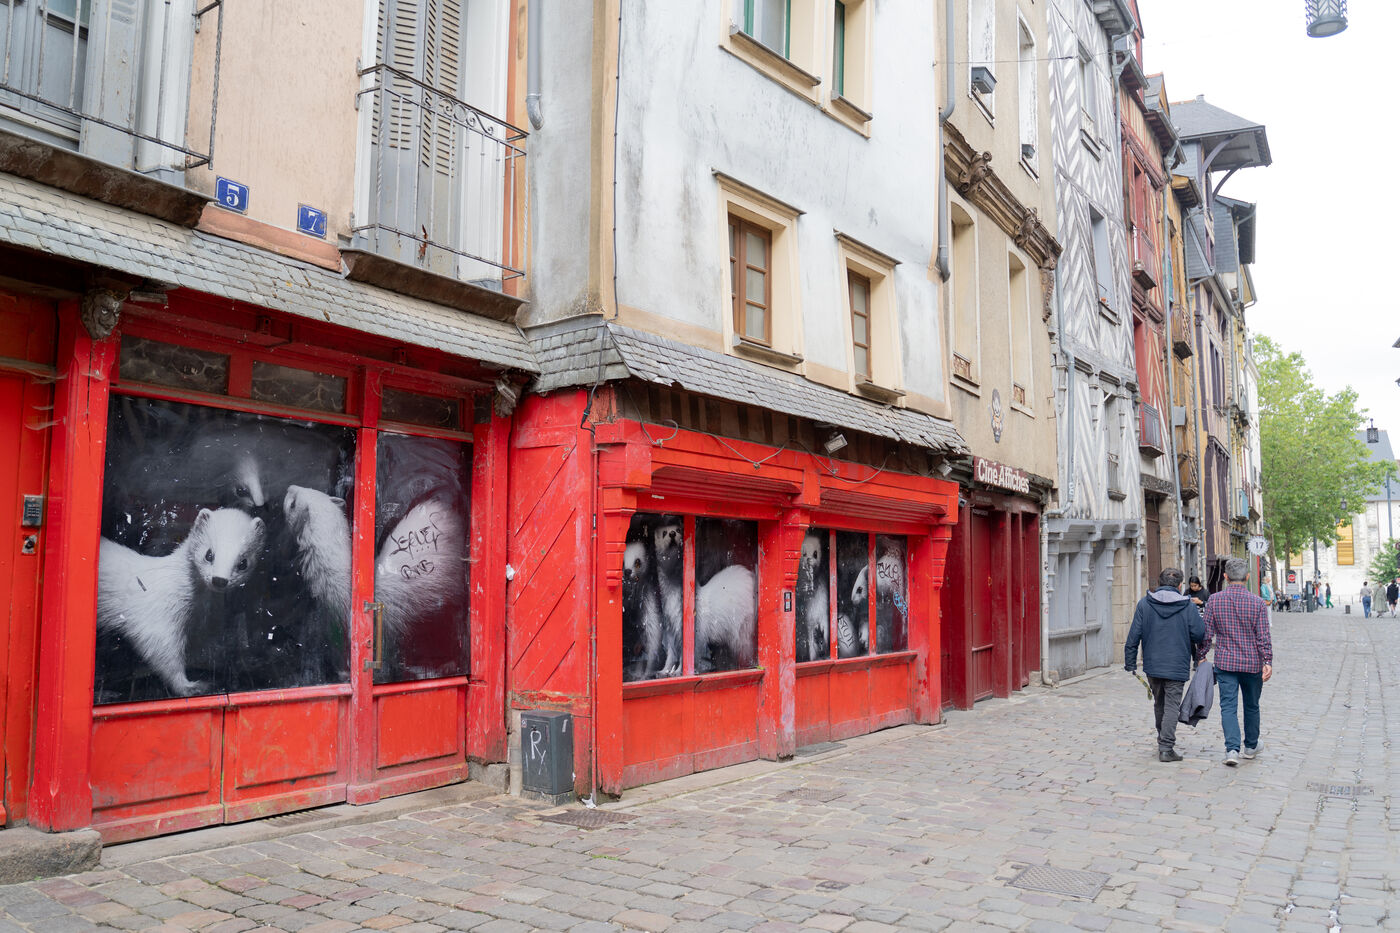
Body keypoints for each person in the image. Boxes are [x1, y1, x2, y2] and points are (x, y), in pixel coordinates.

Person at [1125, 567, 1206, 762]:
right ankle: (1166, 747)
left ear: (1159, 583)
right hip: (1177, 663)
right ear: (1180, 585)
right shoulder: (1187, 606)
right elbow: (1199, 634)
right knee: (1171, 705)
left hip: (1153, 663)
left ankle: (1163, 739)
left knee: (1159, 702)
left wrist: (1130, 662)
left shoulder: (1145, 604)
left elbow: (1134, 634)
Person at [1199, 557, 1273, 767]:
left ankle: (1232, 749)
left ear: (1225, 577)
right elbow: (1263, 636)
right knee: (1252, 705)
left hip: (1226, 663)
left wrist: (1202, 654)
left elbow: (1207, 633)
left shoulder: (1214, 600)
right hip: (1252, 663)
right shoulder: (1257, 603)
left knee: (1228, 707)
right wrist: (1267, 660)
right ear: (1247, 577)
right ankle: (1250, 746)